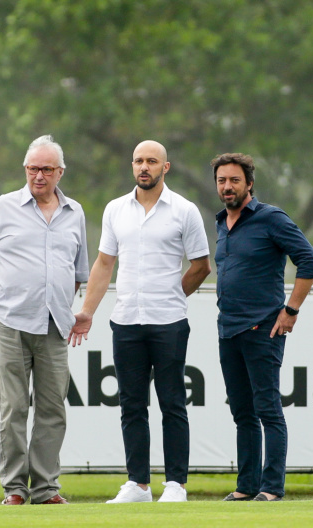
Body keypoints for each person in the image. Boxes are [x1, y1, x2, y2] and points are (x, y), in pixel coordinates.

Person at [69, 140, 211, 503]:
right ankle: (138, 484)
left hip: (169, 322)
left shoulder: (184, 210)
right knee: (131, 403)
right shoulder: (116, 209)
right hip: (127, 320)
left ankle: (176, 483)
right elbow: (104, 264)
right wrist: (87, 310)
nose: (143, 167)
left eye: (151, 161)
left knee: (172, 402)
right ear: (132, 166)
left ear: (166, 167)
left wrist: (173, 295)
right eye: (138, 161)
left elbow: (200, 266)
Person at [0, 135, 89, 506]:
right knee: (14, 407)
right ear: (25, 169)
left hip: (54, 325)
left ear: (60, 172)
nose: (39, 175)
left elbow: (79, 270)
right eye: (33, 168)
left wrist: (64, 302)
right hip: (11, 320)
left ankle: (46, 488)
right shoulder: (2, 207)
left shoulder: (75, 213)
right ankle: (15, 489)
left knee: (53, 408)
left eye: (46, 169)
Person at [212, 152, 313, 503]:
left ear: (249, 183)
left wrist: (291, 309)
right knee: (242, 412)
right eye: (222, 181)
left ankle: (271, 487)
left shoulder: (270, 218)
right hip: (228, 330)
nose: (227, 187)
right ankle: (246, 486)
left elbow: (309, 260)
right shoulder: (219, 223)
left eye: (234, 180)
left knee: (267, 409)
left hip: (263, 329)